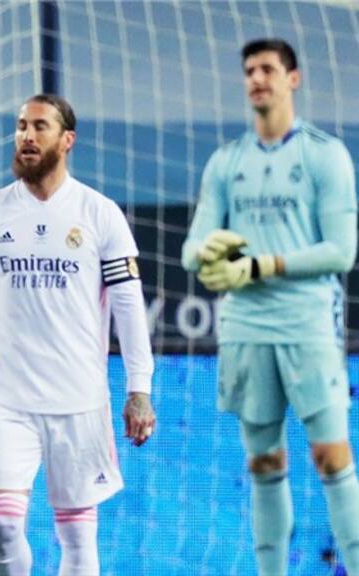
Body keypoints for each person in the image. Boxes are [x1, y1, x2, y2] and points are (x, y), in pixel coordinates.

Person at [0, 94, 156, 575]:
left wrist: (139, 390)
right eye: (21, 126)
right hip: (9, 401)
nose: (27, 137)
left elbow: (128, 308)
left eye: (39, 127)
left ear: (67, 140)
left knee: (76, 536)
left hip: (80, 401)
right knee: (1, 527)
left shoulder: (100, 214)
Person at [181, 38, 359, 576]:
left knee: (331, 457)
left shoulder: (325, 154)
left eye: (267, 69)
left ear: (293, 79)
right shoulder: (226, 161)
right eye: (250, 71)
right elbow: (191, 249)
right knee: (263, 463)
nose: (257, 79)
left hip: (307, 324)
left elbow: (342, 251)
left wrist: (261, 265)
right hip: (246, 327)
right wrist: (207, 252)